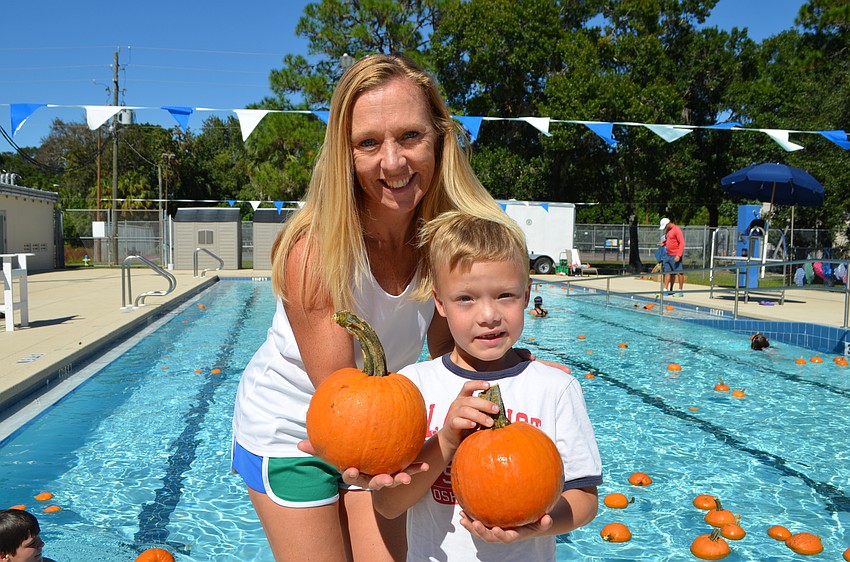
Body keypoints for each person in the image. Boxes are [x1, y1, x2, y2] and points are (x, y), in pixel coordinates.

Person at [230, 53, 524, 561]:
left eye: (410, 136)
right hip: (294, 429)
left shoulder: (449, 244)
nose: (393, 162)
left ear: (439, 138)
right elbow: (342, 403)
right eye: (368, 143)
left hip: (388, 428)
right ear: (345, 154)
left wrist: (525, 381)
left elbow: (449, 362)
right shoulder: (314, 252)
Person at [373, 211, 602, 561]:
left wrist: (540, 524)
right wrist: (447, 439)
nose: (488, 315)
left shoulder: (555, 389)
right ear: (440, 303)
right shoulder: (414, 387)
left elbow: (584, 499)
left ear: (527, 295)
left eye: (505, 295)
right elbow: (388, 505)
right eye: (466, 298)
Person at [660, 218, 685, 296]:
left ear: (668, 224)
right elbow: (669, 240)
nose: (664, 228)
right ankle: (665, 289)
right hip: (667, 254)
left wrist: (679, 255)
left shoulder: (677, 230)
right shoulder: (667, 230)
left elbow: (682, 243)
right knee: (667, 272)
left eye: (665, 226)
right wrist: (663, 243)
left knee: (679, 273)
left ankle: (680, 290)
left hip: (675, 255)